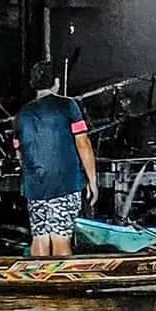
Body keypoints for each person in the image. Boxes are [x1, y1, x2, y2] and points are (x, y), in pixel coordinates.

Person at [15, 61, 98, 257]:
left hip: (35, 185)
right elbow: (83, 143)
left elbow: (19, 153)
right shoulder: (68, 106)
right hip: (64, 182)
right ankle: (60, 276)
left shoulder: (21, 114)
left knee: (40, 236)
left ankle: (39, 275)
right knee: (61, 236)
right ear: (56, 82)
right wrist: (92, 181)